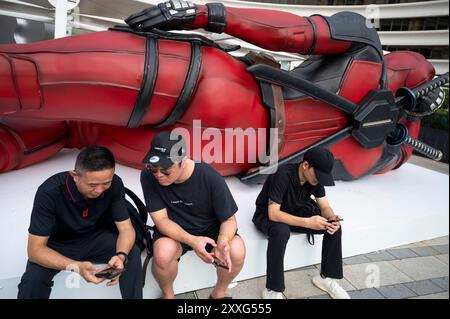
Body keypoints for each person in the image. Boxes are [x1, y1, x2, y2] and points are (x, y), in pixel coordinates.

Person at [0, 1, 441, 183]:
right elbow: (420, 76)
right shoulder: (375, 157)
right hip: (220, 150)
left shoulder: (366, 51)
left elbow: (286, 34)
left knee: (26, 82)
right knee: (68, 123)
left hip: (210, 95)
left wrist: (201, 13)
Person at [17, 146, 143, 299]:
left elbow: (126, 230)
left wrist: (121, 256)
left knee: (132, 252)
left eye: (106, 183)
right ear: (75, 175)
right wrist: (77, 266)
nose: (100, 190)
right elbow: (35, 251)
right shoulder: (49, 192)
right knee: (33, 280)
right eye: (92, 185)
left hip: (92, 238)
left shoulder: (115, 184)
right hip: (57, 245)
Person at [140, 131, 246, 299]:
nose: (159, 175)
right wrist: (192, 240)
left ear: (183, 161)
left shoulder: (208, 175)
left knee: (237, 250)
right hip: (174, 229)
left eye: (166, 170)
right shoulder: (148, 176)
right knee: (162, 252)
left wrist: (222, 242)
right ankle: (168, 295)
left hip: (209, 228)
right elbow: (161, 219)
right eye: (153, 168)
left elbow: (229, 219)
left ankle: (218, 294)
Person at [252, 147, 349, 299]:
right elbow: (273, 213)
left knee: (334, 228)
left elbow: (324, 206)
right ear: (305, 165)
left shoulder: (315, 178)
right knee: (281, 232)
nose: (319, 180)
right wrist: (308, 223)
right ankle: (272, 289)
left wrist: (331, 218)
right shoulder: (282, 174)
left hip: (296, 210)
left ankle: (325, 279)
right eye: (318, 175)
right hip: (269, 214)